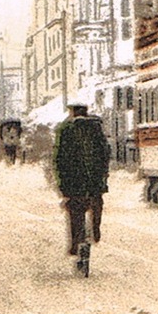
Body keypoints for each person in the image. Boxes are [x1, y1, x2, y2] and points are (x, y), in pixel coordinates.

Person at [54, 104, 111, 258]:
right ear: (86, 113)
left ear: (72, 112)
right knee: (96, 203)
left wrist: (62, 183)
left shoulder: (65, 130)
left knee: (76, 212)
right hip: (95, 181)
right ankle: (96, 229)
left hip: (74, 182)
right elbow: (105, 152)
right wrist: (103, 174)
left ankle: (76, 243)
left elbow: (59, 158)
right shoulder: (96, 128)